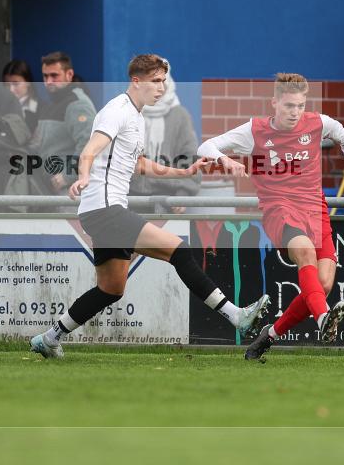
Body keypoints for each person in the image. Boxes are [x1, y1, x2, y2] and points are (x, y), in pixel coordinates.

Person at [29, 54, 270, 359]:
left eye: (163, 81)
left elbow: (139, 164)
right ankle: (236, 316)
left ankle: (49, 339)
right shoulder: (117, 111)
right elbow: (89, 149)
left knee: (111, 289)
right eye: (155, 81)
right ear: (136, 81)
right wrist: (84, 176)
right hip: (105, 211)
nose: (161, 87)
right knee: (179, 251)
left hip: (99, 213)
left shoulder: (136, 116)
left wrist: (183, 172)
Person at [197, 73, 344, 360]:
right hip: (280, 209)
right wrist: (225, 160)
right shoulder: (255, 131)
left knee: (323, 285)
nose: (295, 112)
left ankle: (269, 335)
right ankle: (323, 318)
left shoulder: (317, 123)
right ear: (274, 103)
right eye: (289, 106)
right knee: (305, 255)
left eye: (300, 106)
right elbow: (205, 147)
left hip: (316, 209)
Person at [129, 71, 200, 213]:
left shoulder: (180, 116)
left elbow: (189, 158)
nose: (157, 89)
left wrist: (182, 195)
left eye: (161, 83)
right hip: (127, 196)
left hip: (166, 199)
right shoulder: (129, 112)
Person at [30, 51, 95, 195]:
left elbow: (89, 144)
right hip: (48, 187)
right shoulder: (52, 104)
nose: (49, 81)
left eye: (54, 75)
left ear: (69, 74)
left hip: (69, 190)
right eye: (45, 76)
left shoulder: (77, 104)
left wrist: (67, 176)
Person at [3, 59, 39, 133]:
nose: (11, 90)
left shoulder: (40, 109)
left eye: (16, 84)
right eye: (7, 85)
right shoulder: (0, 107)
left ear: (28, 82)